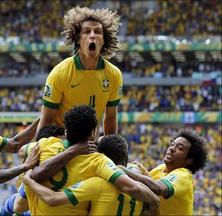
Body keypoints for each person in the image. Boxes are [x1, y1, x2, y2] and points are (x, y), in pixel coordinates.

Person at [23, 105, 160, 215]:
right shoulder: (99, 161)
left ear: (66, 131)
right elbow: (131, 186)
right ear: (93, 132)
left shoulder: (46, 144)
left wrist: (28, 174)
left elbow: (21, 150)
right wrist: (154, 201)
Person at [37, 6, 123, 136]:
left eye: (98, 32)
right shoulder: (60, 73)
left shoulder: (114, 74)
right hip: (60, 145)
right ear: (78, 38)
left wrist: (109, 151)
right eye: (86, 32)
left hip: (89, 145)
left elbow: (110, 118)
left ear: (104, 39)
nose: (92, 36)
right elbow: (46, 121)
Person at [23, 134, 144, 215]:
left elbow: (52, 199)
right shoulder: (139, 177)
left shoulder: (97, 184)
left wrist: (28, 180)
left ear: (103, 156)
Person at [120, 128, 208, 215]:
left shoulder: (184, 175)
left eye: (180, 148)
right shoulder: (162, 168)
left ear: (189, 160)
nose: (172, 148)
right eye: (172, 144)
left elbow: (158, 188)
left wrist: (120, 169)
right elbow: (149, 183)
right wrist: (139, 170)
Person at [0, 124, 65, 216]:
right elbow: (21, 150)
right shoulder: (43, 148)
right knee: (19, 206)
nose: (60, 146)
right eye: (56, 142)